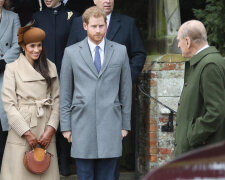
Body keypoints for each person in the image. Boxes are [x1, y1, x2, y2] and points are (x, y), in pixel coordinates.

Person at [60, 6, 132, 180]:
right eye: (94, 26)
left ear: (106, 25)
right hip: (81, 125)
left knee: (109, 176)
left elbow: (126, 89)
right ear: (85, 26)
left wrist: (125, 125)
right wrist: (66, 127)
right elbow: (65, 92)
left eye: (101, 26)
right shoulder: (71, 53)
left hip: (112, 124)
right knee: (85, 176)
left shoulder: (120, 51)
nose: (98, 30)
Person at [0, 24, 60, 179]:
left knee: (45, 171)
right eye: (31, 46)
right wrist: (26, 132)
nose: (36, 50)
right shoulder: (12, 68)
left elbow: (57, 100)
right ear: (23, 46)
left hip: (45, 128)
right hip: (22, 129)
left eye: (39, 45)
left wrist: (51, 129)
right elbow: (8, 104)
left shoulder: (50, 67)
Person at [32, 0, 79, 175]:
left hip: (67, 74)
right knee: (44, 117)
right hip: (42, 75)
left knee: (65, 116)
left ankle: (65, 162)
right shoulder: (36, 17)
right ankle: (44, 162)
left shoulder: (74, 17)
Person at [174, 20, 225, 157]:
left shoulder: (210, 65)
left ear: (188, 41)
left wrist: (192, 135)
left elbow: (216, 111)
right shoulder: (203, 63)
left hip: (200, 154)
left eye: (179, 41)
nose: (178, 45)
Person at [67, 0, 146, 84]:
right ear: (94, 1)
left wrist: (127, 78)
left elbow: (139, 54)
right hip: (85, 87)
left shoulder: (128, 24)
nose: (108, 1)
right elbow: (71, 55)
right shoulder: (79, 23)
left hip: (117, 89)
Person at [0, 0, 20, 170]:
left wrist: (4, 61)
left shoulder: (13, 17)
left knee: (4, 121)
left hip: (5, 73)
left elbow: (17, 42)